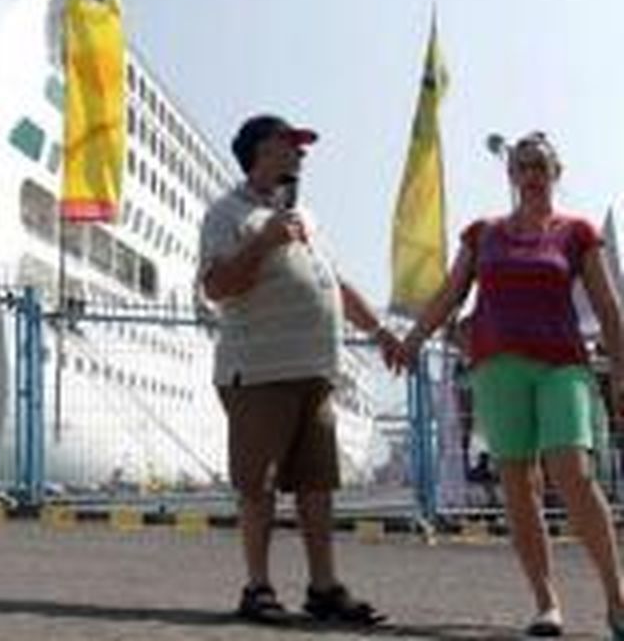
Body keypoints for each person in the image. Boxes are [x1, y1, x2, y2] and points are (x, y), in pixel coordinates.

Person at [396, 132, 624, 639]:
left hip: (562, 365)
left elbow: (608, 307)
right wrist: (412, 339)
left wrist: (623, 370)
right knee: (518, 485)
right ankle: (546, 604)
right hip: (497, 368)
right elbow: (449, 295)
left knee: (573, 474)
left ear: (556, 172)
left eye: (540, 164)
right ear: (511, 175)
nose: (531, 173)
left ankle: (617, 599)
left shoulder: (577, 232)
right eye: (522, 165)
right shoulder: (483, 234)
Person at [198, 113, 398, 625]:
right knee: (258, 484)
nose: (301, 155)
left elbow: (335, 280)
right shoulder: (226, 212)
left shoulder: (306, 214)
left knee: (316, 485)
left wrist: (379, 332)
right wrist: (263, 241)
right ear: (262, 150)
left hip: (316, 370)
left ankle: (323, 586)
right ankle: (257, 586)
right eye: (291, 144)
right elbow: (217, 286)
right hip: (259, 369)